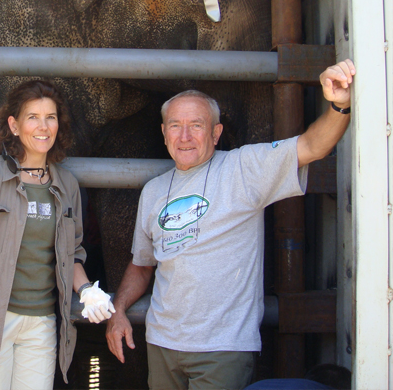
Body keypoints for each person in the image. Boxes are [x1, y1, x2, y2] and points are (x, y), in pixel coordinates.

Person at [106, 60, 356, 390]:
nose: (184, 136)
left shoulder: (244, 168)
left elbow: (313, 145)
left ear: (216, 132)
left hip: (223, 348)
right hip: (162, 343)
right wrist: (119, 311)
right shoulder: (153, 191)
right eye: (175, 125)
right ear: (164, 132)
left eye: (196, 125)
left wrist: (339, 104)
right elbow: (141, 266)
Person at [0, 79, 115, 390]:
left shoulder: (66, 185)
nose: (43, 127)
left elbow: (70, 253)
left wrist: (86, 290)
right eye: (33, 117)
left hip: (41, 324)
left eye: (51, 117)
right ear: (14, 125)